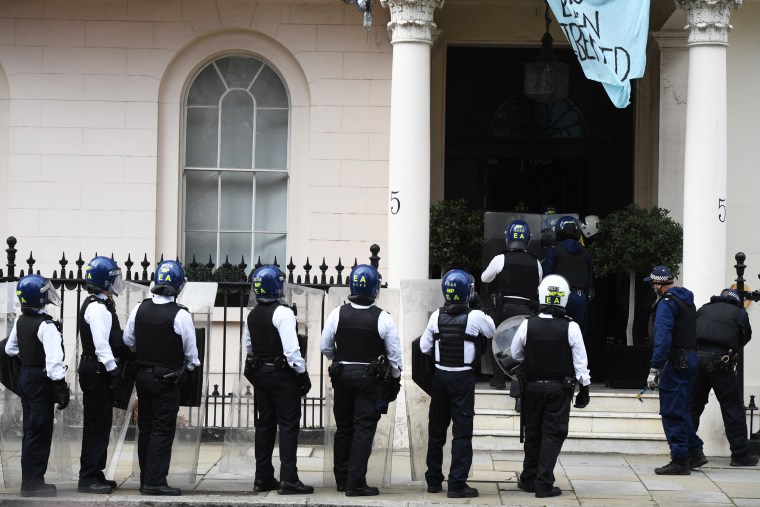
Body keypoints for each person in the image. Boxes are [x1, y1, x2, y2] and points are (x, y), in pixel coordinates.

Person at [320, 264, 402, 497]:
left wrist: (339, 360)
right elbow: (394, 355)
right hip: (369, 378)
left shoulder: (337, 313)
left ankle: (342, 480)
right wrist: (395, 379)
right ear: (375, 288)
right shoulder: (383, 318)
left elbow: (325, 346)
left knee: (344, 428)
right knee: (363, 429)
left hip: (342, 376)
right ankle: (356, 483)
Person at [122, 260, 200, 496]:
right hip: (166, 380)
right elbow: (192, 355)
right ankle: (155, 482)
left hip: (142, 377)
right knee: (162, 430)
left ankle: (147, 478)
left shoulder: (140, 308)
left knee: (145, 428)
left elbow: (128, 341)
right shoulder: (181, 315)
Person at [511, 274, 591, 498]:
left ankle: (529, 478)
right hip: (558, 389)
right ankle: (543, 483)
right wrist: (584, 388)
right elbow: (580, 362)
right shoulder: (571, 327)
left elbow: (516, 354)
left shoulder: (528, 324)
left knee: (533, 432)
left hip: (532, 388)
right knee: (553, 434)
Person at [421, 269, 495, 499]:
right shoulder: (475, 316)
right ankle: (457, 483)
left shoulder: (436, 316)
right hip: (462, 379)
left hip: (441, 378)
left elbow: (424, 347)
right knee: (462, 433)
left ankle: (433, 481)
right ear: (468, 293)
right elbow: (492, 331)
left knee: (437, 431)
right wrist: (480, 307)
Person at [244, 265, 314, 495]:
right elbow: (292, 351)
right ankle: (289, 479)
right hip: (282, 375)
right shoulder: (282, 312)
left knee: (264, 425)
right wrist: (302, 374)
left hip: (261, 374)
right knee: (288, 426)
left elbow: (248, 347)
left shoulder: (252, 314)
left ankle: (262, 477)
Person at [4, 274, 70, 498]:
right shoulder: (46, 325)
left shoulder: (21, 321)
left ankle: (30, 480)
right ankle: (33, 484)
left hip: (26, 377)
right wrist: (62, 388)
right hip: (41, 381)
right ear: (39, 298)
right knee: (40, 430)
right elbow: (53, 364)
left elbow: (10, 350)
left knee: (30, 429)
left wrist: (29, 359)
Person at [644, 265, 703, 475]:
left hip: (676, 361)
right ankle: (695, 451)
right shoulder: (686, 300)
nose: (652, 286)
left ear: (658, 284)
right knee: (683, 408)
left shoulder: (667, 304)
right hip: (690, 358)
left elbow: (663, 337)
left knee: (672, 411)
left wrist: (654, 367)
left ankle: (680, 460)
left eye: (652, 283)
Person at [691, 288, 758, 467]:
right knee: (732, 408)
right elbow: (746, 336)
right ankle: (740, 455)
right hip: (720, 361)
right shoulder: (739, 312)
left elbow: (691, 331)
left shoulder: (704, 309)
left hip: (696, 359)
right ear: (736, 300)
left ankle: (686, 451)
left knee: (692, 407)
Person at [76, 256, 126, 494]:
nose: (117, 283)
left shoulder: (100, 304)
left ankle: (96, 472)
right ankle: (87, 478)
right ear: (104, 281)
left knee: (101, 422)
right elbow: (100, 344)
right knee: (96, 424)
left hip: (96, 368)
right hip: (97, 369)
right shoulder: (97, 308)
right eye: (114, 278)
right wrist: (112, 368)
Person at [481, 219, 541, 409]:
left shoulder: (501, 258)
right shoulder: (536, 262)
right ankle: (518, 388)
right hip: (527, 310)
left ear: (507, 238)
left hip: (504, 308)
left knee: (496, 341)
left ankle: (498, 380)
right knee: (523, 349)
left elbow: (485, 278)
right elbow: (539, 285)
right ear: (528, 239)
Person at [542, 216, 594, 360]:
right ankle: (576, 372)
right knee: (578, 337)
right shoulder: (585, 252)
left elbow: (546, 275)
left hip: (559, 297)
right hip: (580, 296)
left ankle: (558, 368)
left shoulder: (554, 250)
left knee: (556, 333)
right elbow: (590, 279)